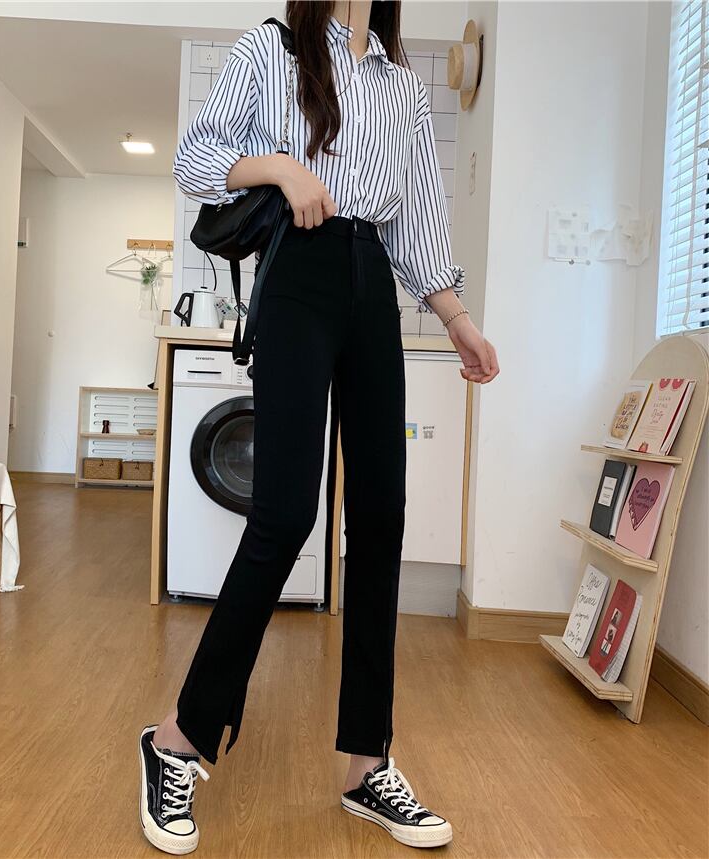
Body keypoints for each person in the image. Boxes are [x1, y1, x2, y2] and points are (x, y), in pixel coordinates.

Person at [139, 1, 499, 854]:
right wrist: (281, 170)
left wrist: (456, 318)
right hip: (298, 269)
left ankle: (366, 763)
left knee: (380, 519)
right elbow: (196, 160)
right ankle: (177, 739)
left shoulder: (403, 87)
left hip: (373, 281)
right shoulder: (272, 51)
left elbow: (417, 218)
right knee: (285, 513)